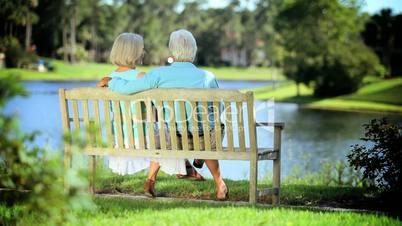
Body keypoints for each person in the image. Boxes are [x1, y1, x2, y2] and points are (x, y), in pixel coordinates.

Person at [99, 29, 228, 200]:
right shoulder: (207, 76)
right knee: (214, 129)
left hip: (173, 136)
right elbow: (218, 107)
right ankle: (219, 184)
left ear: (171, 50)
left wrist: (112, 81)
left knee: (163, 132)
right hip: (202, 137)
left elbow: (127, 89)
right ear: (194, 50)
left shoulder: (158, 74)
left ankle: (151, 180)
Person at [97, 33, 187, 179]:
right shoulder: (142, 77)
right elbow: (157, 110)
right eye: (141, 49)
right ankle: (181, 171)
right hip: (141, 138)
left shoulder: (108, 79)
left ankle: (187, 170)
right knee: (172, 133)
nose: (143, 52)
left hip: (120, 138)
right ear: (133, 53)